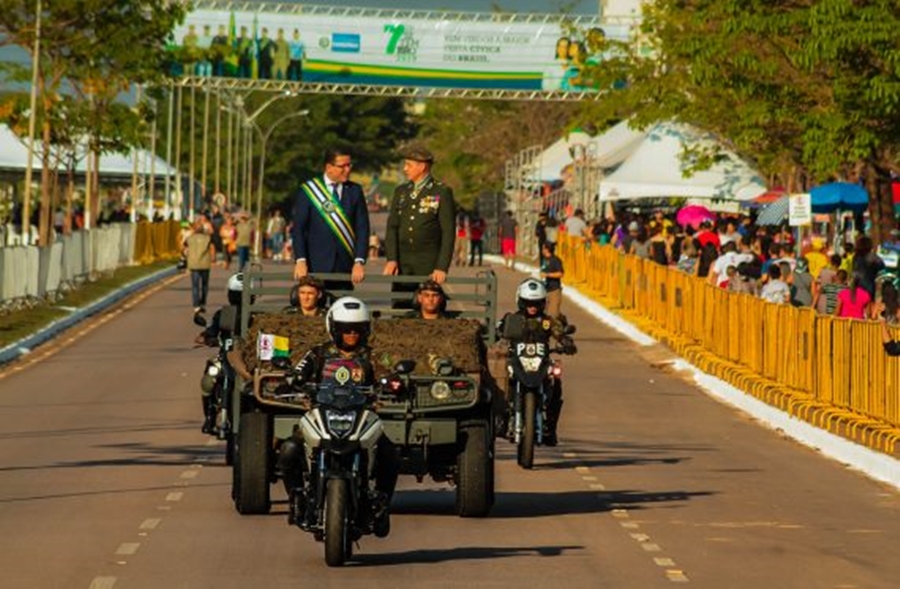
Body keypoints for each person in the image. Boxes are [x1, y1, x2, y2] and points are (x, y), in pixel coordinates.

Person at [278, 297, 395, 536]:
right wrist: (291, 380)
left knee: (389, 453)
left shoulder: (373, 356)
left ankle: (382, 505)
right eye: (345, 329)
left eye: (357, 329)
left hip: (361, 417)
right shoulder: (318, 353)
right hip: (321, 415)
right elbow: (298, 371)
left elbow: (389, 371)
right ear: (333, 328)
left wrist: (394, 383)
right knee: (289, 449)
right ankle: (296, 498)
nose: (351, 334)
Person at [499, 278, 576, 446]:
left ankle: (550, 427)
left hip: (541, 361)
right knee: (500, 378)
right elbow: (498, 330)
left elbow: (559, 332)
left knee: (556, 381)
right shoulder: (512, 319)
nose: (532, 307)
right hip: (517, 360)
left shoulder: (548, 321)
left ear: (543, 303)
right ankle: (502, 420)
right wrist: (496, 335)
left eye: (536, 303)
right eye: (528, 302)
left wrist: (566, 341)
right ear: (520, 301)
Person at [292, 147, 370, 295]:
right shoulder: (308, 190)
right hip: (315, 265)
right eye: (343, 166)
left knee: (343, 313)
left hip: (345, 266)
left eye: (349, 165)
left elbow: (362, 228)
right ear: (329, 167)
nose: (348, 170)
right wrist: (300, 260)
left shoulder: (355, 191)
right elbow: (299, 230)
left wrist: (359, 261)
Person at [383, 146, 456, 301]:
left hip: (428, 264)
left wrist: (441, 267)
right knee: (400, 310)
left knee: (427, 309)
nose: (405, 169)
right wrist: (392, 259)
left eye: (409, 165)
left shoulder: (441, 191)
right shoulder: (401, 191)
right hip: (403, 265)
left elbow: (448, 232)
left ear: (422, 166)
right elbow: (392, 227)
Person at [195, 273, 245, 433]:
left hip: (247, 361)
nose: (238, 298)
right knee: (208, 379)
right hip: (224, 358)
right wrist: (206, 337)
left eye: (241, 295)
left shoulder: (256, 315)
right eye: (235, 294)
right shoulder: (221, 314)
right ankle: (210, 416)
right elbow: (211, 331)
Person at [185, 217, 215, 313]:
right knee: (205, 285)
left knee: (195, 286)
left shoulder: (189, 239)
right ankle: (203, 303)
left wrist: (185, 256)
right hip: (205, 264)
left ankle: (196, 305)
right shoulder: (208, 238)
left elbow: (183, 248)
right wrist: (213, 258)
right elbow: (212, 248)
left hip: (194, 265)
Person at [540, 242, 564, 318]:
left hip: (554, 291)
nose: (542, 250)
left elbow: (561, 273)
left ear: (547, 249)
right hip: (544, 291)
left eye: (543, 248)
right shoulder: (544, 259)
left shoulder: (555, 260)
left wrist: (548, 275)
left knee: (552, 317)